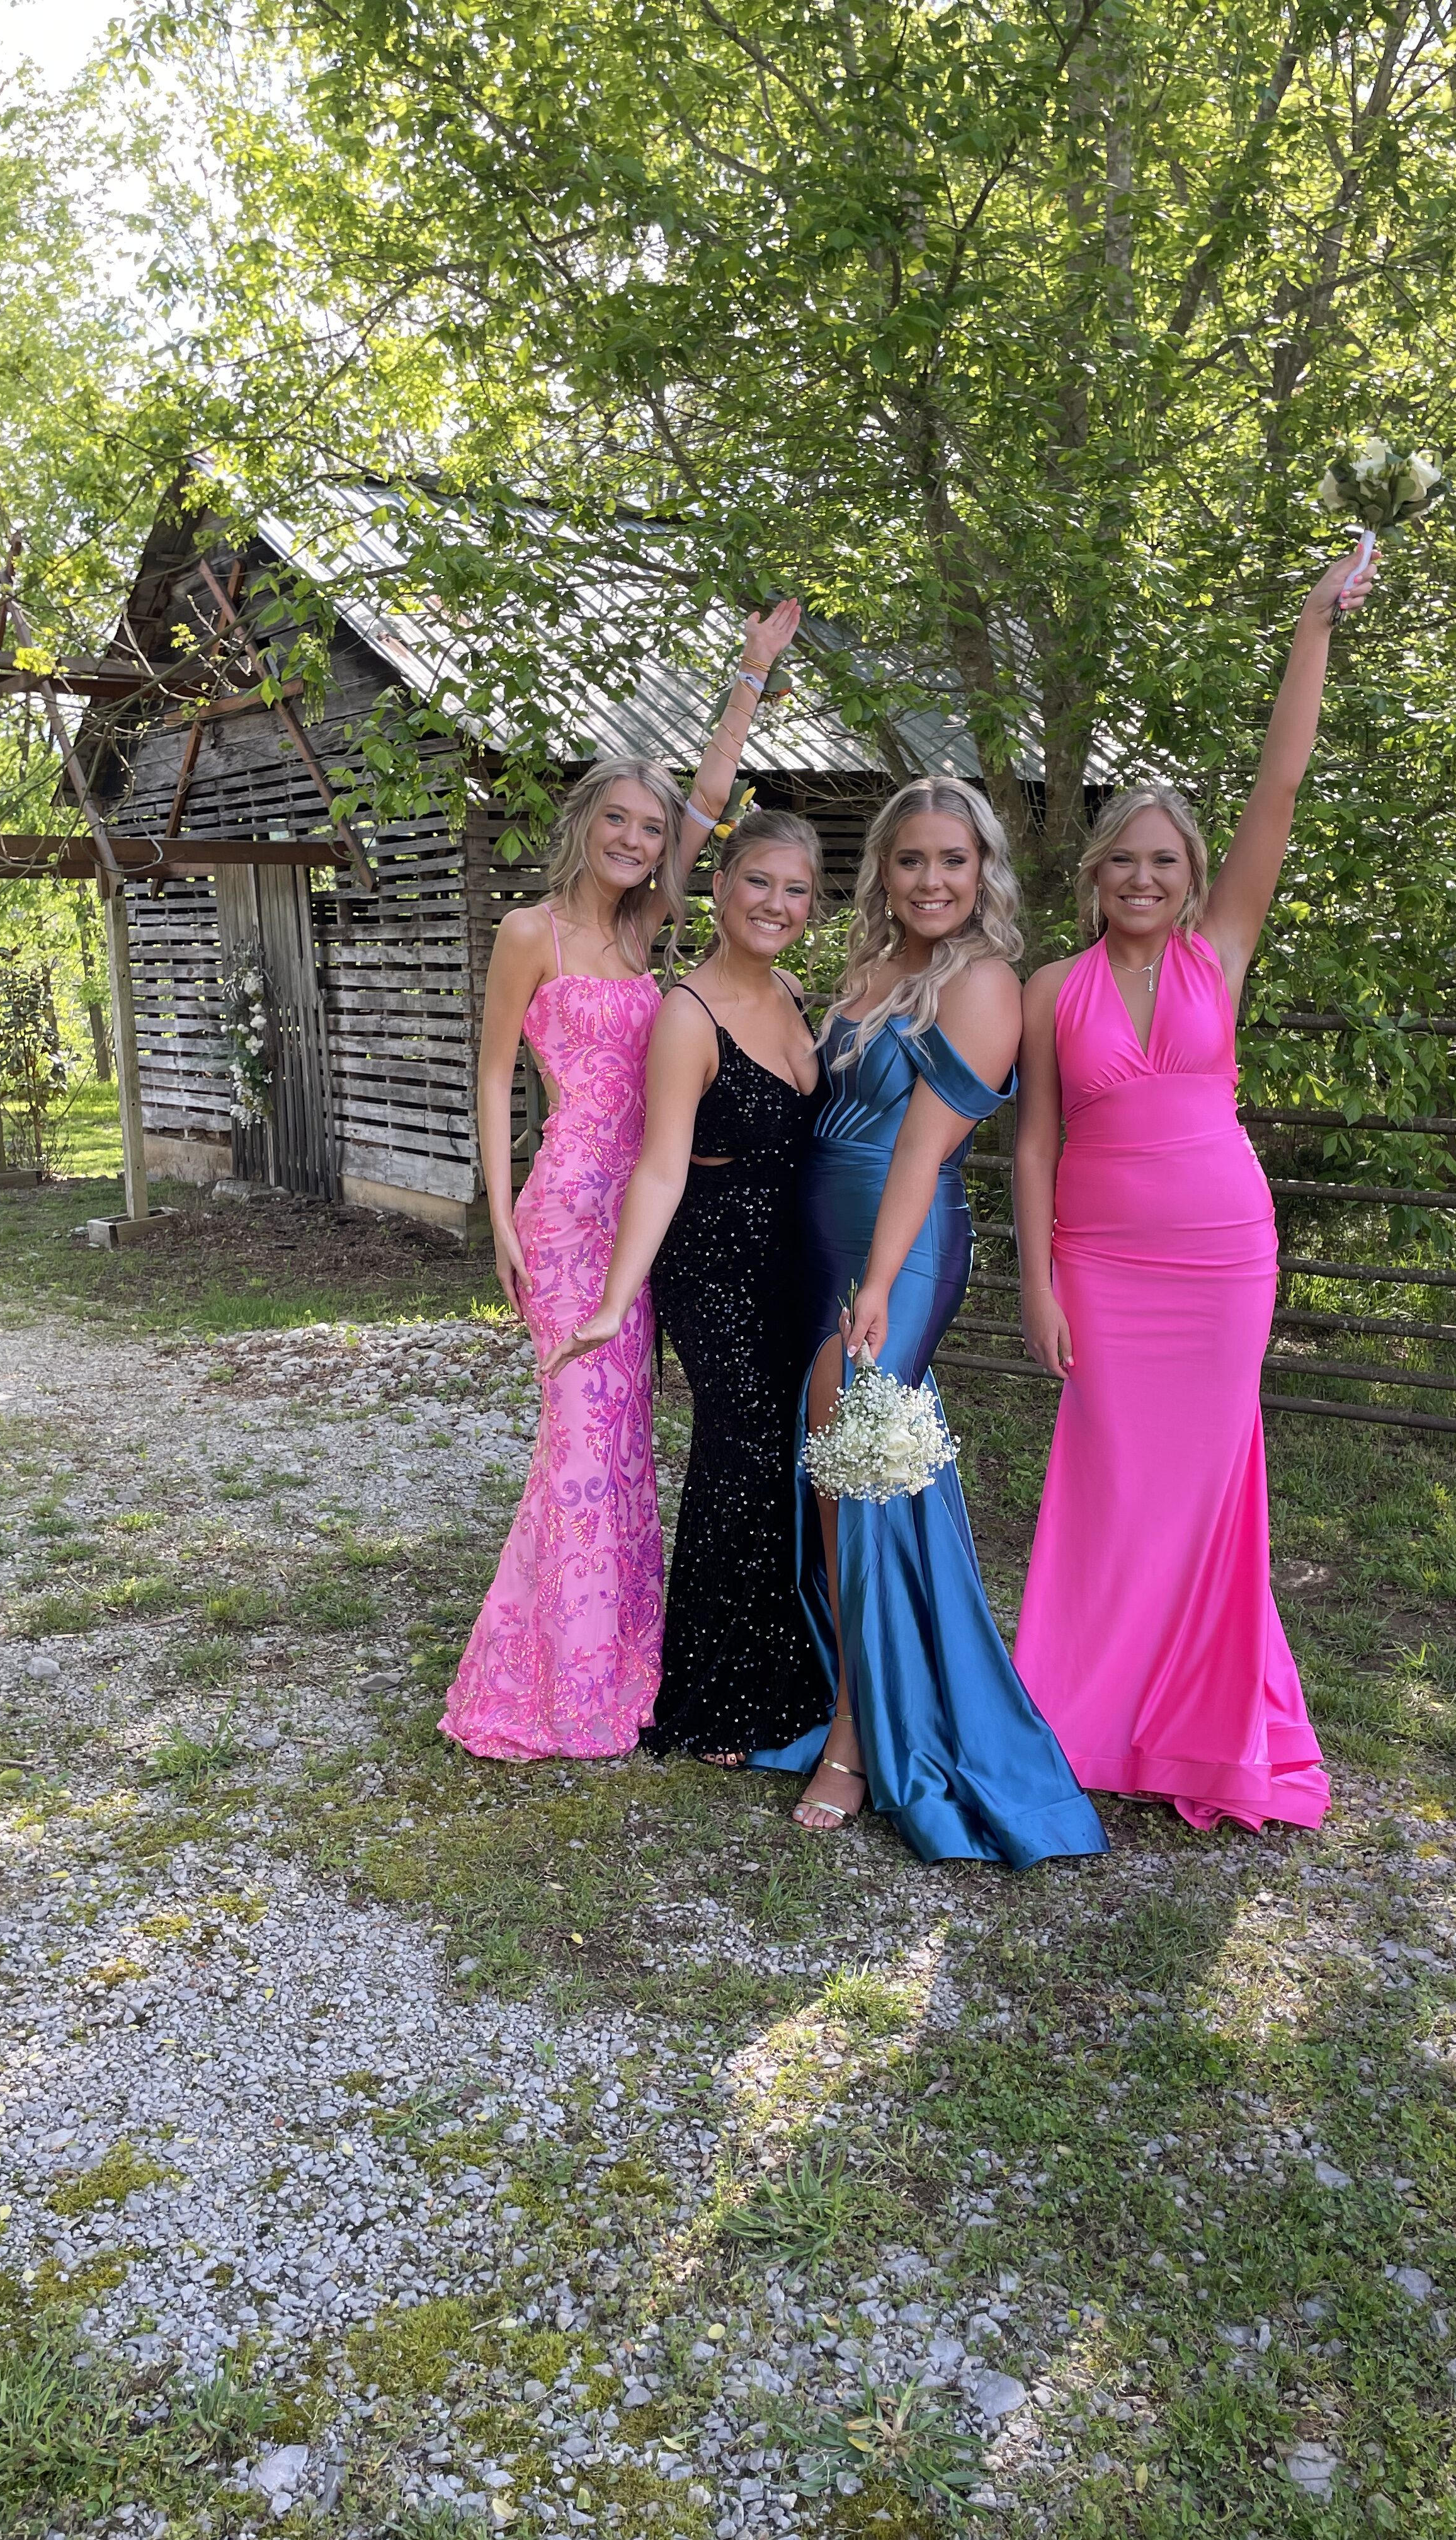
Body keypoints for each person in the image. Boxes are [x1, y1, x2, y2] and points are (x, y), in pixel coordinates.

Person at [1010, 546, 1379, 1831]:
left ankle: (1204, 1730)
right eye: (1127, 864)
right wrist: (1039, 1283)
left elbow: (1282, 782)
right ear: (1096, 875)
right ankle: (1082, 1714)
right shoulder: (1052, 990)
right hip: (1104, 1271)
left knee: (1212, 1485)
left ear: (1190, 875)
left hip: (1225, 1259)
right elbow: (1035, 1146)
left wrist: (1311, 628)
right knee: (1112, 1483)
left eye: (1167, 864)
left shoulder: (1223, 952)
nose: (1148, 882)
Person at [441, 599, 802, 1761]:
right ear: (587, 821)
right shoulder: (527, 934)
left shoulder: (649, 931)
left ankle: (626, 1654)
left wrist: (749, 675)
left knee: (629, 1437)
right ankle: (553, 1681)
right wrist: (500, 1219)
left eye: (653, 830)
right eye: (621, 820)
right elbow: (496, 1079)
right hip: (563, 1210)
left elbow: (710, 802)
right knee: (579, 1434)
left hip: (651, 1207)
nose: (640, 840)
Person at [747, 778, 1107, 1870]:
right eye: (913, 862)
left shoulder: (986, 983)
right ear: (886, 875)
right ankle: (852, 1676)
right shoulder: (866, 971)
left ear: (983, 869)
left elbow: (922, 1149)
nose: (933, 880)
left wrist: (881, 1280)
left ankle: (858, 1734)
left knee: (859, 1462)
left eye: (953, 861)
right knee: (833, 1470)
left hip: (898, 1251)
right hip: (822, 1244)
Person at [545, 808, 828, 1764]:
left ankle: (797, 1675)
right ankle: (716, 1696)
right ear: (720, 886)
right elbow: (661, 1167)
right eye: (759, 882)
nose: (776, 904)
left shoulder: (793, 993)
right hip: (712, 1260)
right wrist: (620, 1300)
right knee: (738, 1453)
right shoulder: (685, 1012)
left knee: (787, 1456)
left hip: (794, 1257)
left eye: (795, 889)